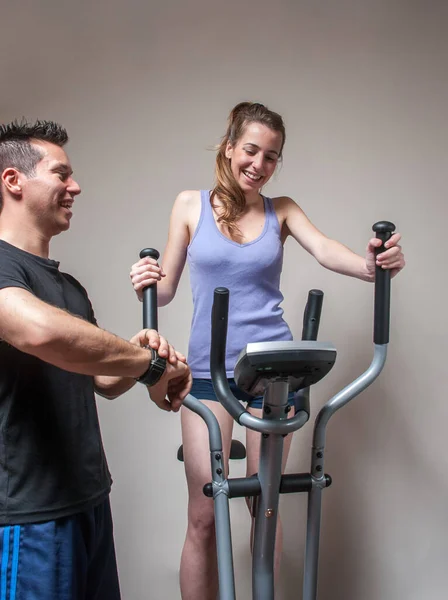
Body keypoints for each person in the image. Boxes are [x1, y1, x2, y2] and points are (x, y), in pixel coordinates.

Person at [129, 101, 405, 599]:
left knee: (266, 506)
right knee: (203, 513)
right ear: (229, 147)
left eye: (272, 156)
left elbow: (326, 250)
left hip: (273, 371)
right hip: (208, 373)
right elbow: (165, 288)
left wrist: (372, 265)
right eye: (251, 151)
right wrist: (148, 280)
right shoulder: (190, 205)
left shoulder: (284, 210)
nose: (259, 164)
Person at [0, 119, 192, 600]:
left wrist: (142, 353)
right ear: (13, 181)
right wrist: (145, 365)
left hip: (88, 501)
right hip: (27, 514)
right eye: (61, 174)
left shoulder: (69, 290)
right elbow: (38, 331)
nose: (76, 186)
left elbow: (101, 379)